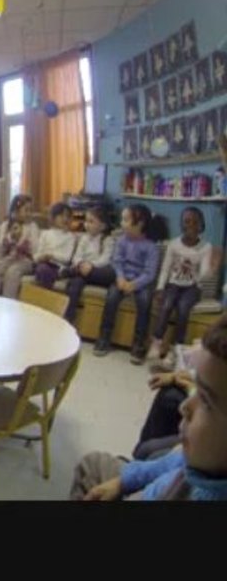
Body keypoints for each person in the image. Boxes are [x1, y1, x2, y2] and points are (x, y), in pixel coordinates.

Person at [70, 315, 227, 501]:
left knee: (91, 470)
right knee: (93, 463)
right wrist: (123, 481)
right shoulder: (199, 460)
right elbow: (175, 461)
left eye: (206, 401)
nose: (184, 407)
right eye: (196, 390)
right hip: (157, 486)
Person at [93, 204, 165, 362]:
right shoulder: (121, 241)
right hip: (122, 279)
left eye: (125, 220)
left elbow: (150, 273)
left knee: (145, 301)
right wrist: (120, 278)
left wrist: (134, 285)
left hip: (141, 283)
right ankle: (104, 337)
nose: (121, 223)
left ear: (139, 224)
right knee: (111, 297)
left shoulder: (151, 247)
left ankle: (139, 344)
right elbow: (117, 262)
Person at [146, 207, 213, 368]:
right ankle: (157, 342)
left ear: (201, 225)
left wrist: (210, 270)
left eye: (195, 222)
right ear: (181, 224)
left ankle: (176, 349)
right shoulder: (174, 244)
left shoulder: (206, 247)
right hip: (173, 285)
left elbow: (203, 274)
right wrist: (160, 288)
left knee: (183, 309)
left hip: (192, 287)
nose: (190, 225)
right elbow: (165, 268)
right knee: (167, 305)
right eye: (186, 221)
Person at [57, 206, 117, 324]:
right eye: (86, 221)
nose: (86, 224)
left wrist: (90, 265)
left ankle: (70, 272)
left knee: (89, 273)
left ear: (103, 226)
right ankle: (68, 318)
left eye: (91, 221)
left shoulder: (108, 240)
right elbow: (77, 257)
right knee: (75, 283)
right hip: (83, 272)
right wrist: (81, 264)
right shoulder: (84, 238)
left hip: (97, 273)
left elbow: (105, 260)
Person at [0, 194, 40, 299]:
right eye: (26, 210)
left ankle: (9, 303)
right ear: (15, 211)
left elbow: (35, 250)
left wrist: (21, 240)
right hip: (9, 258)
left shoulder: (32, 227)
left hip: (26, 260)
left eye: (31, 210)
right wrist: (11, 237)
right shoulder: (6, 225)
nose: (29, 213)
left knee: (12, 272)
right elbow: (0, 248)